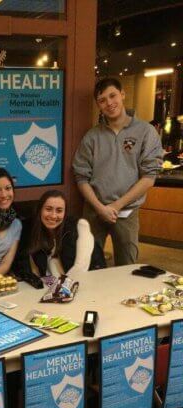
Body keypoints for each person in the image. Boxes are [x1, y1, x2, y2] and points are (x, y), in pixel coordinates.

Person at [72, 77, 163, 266]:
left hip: (127, 213)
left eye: (112, 96)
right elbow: (81, 177)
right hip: (94, 212)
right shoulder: (92, 136)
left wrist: (116, 206)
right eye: (102, 100)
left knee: (127, 267)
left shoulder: (145, 132)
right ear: (98, 105)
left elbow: (149, 178)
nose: (109, 103)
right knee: (87, 265)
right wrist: (100, 208)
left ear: (122, 95)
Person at [14, 190, 105, 280]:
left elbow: (81, 266)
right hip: (61, 284)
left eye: (59, 210)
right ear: (40, 210)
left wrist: (60, 289)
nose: (53, 215)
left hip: (90, 279)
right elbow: (44, 273)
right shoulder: (35, 232)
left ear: (65, 213)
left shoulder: (80, 225)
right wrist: (47, 289)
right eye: (48, 209)